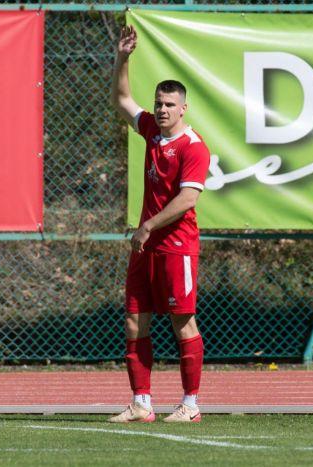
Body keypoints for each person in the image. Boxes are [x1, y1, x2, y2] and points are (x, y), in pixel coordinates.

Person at [108, 25, 211, 424]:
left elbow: (187, 200)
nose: (163, 109)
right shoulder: (151, 130)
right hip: (146, 247)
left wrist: (148, 225)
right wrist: (123, 58)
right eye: (159, 103)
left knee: (183, 322)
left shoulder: (194, 147)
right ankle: (142, 403)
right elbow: (121, 99)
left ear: (184, 108)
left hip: (176, 247)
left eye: (170, 104)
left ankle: (191, 404)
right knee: (134, 320)